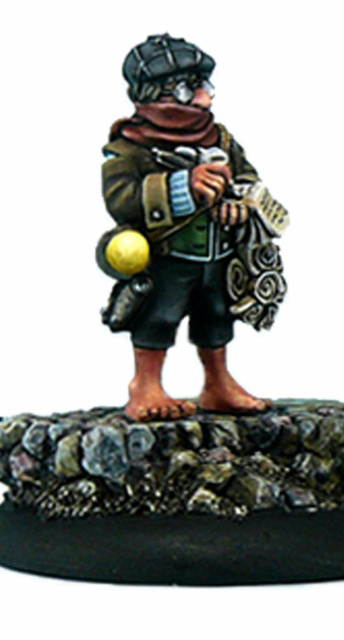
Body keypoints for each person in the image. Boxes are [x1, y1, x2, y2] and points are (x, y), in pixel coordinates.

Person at [101, 34, 279, 422]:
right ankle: (145, 385)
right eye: (188, 88)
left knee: (216, 314)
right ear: (152, 95)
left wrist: (240, 204)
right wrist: (184, 186)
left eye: (204, 87)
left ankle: (218, 383)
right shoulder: (129, 148)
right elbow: (121, 198)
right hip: (169, 254)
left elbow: (248, 178)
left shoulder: (221, 138)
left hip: (218, 252)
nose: (204, 100)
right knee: (159, 316)